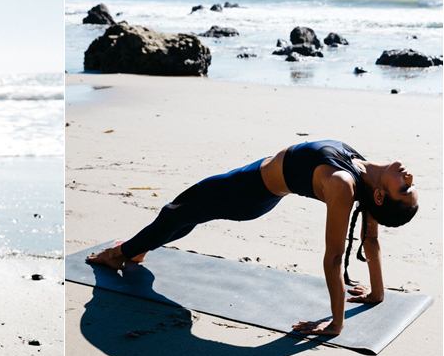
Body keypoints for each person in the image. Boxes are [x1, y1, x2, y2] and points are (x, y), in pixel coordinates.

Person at [86, 140, 418, 336]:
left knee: (177, 212)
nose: (409, 177)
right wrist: (376, 294)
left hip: (248, 193)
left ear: (379, 197)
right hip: (252, 180)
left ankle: (120, 255)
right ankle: (139, 249)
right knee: (186, 214)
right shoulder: (361, 171)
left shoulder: (343, 185)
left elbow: (333, 258)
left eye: (404, 189)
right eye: (410, 185)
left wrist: (336, 323)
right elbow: (370, 240)